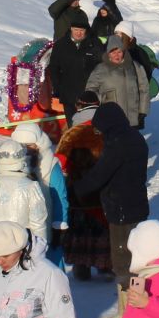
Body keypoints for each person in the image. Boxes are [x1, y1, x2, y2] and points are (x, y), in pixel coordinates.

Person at [70, 104, 149, 312]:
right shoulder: (134, 136)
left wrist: (75, 190)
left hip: (122, 210)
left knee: (123, 261)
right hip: (136, 205)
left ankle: (128, 311)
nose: (99, 132)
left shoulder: (118, 142)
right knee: (136, 256)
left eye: (99, 128)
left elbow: (100, 174)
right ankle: (132, 306)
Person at [56, 100, 112, 280]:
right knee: (101, 228)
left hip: (77, 192)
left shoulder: (71, 134)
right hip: (100, 193)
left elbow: (60, 163)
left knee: (80, 230)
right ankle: (104, 266)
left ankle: (81, 267)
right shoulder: (106, 133)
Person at [11, 121, 71, 261]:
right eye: (21, 146)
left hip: (46, 226)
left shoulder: (50, 165)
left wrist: (59, 226)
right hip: (18, 228)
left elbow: (60, 198)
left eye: (30, 145)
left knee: (50, 267)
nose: (26, 150)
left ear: (39, 143)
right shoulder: (11, 167)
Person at [85, 36, 150, 129]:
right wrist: (103, 97)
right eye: (113, 52)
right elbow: (89, 91)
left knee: (131, 142)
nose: (117, 55)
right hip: (111, 118)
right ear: (108, 53)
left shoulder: (135, 66)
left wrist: (143, 111)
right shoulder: (100, 69)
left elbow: (144, 89)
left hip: (132, 118)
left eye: (119, 52)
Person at [45, 19, 100, 118]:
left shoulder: (94, 44)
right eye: (76, 30)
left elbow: (100, 66)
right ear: (71, 29)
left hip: (89, 94)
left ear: (86, 31)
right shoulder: (61, 45)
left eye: (81, 30)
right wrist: (58, 88)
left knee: (89, 124)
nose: (78, 33)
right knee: (72, 124)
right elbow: (54, 68)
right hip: (68, 94)